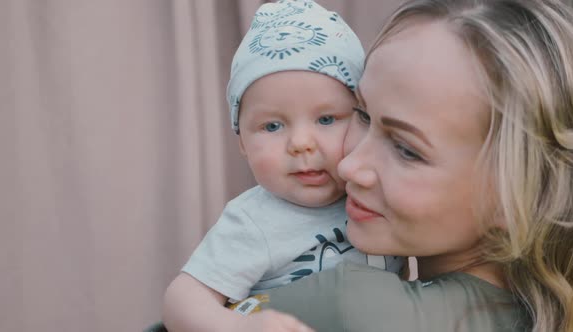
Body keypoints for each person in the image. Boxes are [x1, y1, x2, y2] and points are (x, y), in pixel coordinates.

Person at [225, 0, 573, 331]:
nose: (350, 166)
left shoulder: (348, 307)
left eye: (406, 150)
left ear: (521, 192)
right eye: (363, 115)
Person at [162, 1, 403, 331]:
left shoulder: (380, 195)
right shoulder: (254, 221)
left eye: (326, 118)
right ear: (243, 144)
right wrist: (239, 327)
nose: (301, 143)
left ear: (365, 118)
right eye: (273, 126)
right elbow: (183, 298)